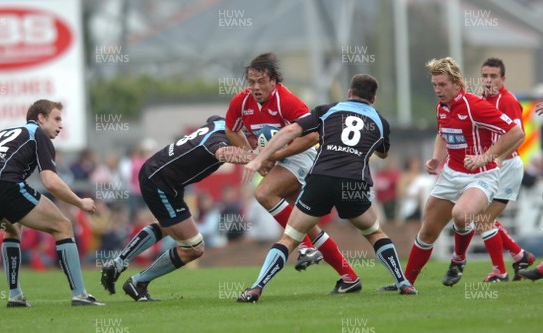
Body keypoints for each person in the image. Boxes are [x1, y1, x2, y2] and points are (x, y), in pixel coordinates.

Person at [237, 74, 418, 303]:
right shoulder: (381, 122)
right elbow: (383, 152)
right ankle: (403, 283)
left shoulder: (328, 110)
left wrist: (260, 158)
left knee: (291, 237)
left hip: (321, 179)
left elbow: (289, 132)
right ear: (373, 98)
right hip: (353, 184)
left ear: (349, 92)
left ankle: (256, 288)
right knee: (374, 233)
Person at [378, 57, 524, 292]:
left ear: (457, 83)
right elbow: (442, 133)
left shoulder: (474, 105)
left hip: (482, 176)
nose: (438, 90)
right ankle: (405, 284)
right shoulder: (441, 107)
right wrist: (437, 157)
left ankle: (458, 259)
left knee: (461, 213)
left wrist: (486, 157)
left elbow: (516, 132)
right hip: (451, 174)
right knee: (428, 230)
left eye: (443, 84)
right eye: (435, 85)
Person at [225, 52, 361, 294]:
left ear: (274, 81)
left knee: (264, 193)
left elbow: (312, 136)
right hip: (274, 160)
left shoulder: (287, 101)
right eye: (251, 82)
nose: (255, 87)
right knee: (307, 224)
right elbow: (231, 129)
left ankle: (306, 248)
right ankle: (349, 277)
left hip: (301, 156)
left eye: (261, 82)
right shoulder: (242, 102)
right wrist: (255, 155)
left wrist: (270, 156)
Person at [0, 99, 104, 306]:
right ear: (41, 118)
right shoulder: (38, 134)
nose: (60, 125)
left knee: (12, 229)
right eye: (56, 118)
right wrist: (80, 202)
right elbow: (50, 182)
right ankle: (80, 295)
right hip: (6, 188)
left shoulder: (2, 134)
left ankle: (15, 296)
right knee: (63, 225)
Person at [100, 115, 254, 301]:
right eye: (252, 138)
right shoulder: (218, 142)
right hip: (160, 182)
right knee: (194, 247)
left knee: (167, 225)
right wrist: (256, 158)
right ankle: (137, 281)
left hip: (164, 178)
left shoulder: (219, 123)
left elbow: (212, 119)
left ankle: (118, 264)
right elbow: (222, 153)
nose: (253, 144)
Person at [442, 58, 535, 285]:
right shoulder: (480, 99)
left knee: (484, 219)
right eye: (485, 76)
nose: (488, 80)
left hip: (506, 166)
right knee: (481, 218)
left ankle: (500, 271)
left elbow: (519, 134)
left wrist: (498, 159)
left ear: (503, 79)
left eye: (493, 76)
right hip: (489, 166)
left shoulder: (508, 100)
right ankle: (519, 256)